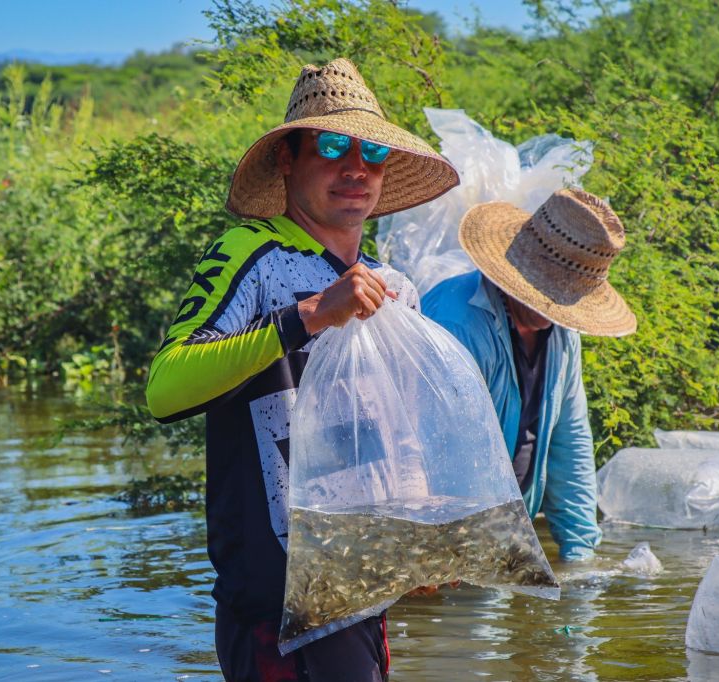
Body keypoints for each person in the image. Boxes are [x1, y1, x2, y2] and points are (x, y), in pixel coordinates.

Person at [145, 58, 458, 682]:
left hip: (363, 585)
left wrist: (421, 536)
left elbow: (399, 432)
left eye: (373, 152)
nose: (356, 168)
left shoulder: (394, 287)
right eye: (333, 146)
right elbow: (166, 387)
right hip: (276, 602)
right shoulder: (250, 255)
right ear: (288, 159)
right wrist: (307, 316)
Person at [422, 189, 636, 562]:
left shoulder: (562, 333)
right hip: (449, 534)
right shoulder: (459, 323)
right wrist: (482, 559)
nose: (554, 308)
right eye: (548, 294)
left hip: (504, 529)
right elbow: (444, 456)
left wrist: (580, 553)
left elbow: (570, 441)